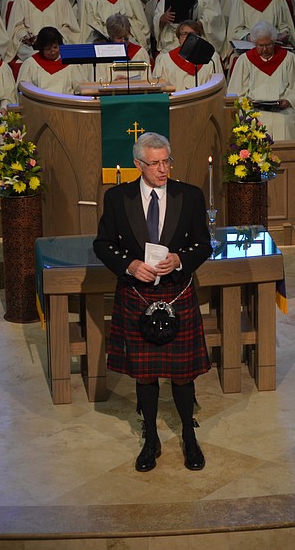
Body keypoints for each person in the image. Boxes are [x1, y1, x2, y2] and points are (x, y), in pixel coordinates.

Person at [93, 132, 212, 473]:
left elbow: (203, 243)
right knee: (144, 375)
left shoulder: (189, 195)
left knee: (182, 373)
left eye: (166, 161)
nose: (163, 169)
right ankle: (151, 439)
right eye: (155, 163)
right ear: (138, 164)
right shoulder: (117, 198)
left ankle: (189, 435)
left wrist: (179, 260)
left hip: (176, 290)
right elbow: (102, 244)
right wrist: (128, 265)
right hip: (136, 293)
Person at [227, 20, 295, 141]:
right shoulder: (245, 60)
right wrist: (248, 102)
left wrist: (288, 101)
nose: (265, 50)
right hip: (254, 111)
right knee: (252, 123)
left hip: (282, 111)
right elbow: (236, 92)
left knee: (284, 122)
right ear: (254, 44)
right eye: (261, 46)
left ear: (274, 42)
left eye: (269, 45)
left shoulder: (289, 58)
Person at [6, 0, 81, 62]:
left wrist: (54, 37)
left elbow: (70, 28)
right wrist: (26, 36)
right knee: (23, 50)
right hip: (31, 46)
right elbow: (16, 27)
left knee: (65, 50)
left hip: (55, 44)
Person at [150, 20, 223, 91]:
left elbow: (219, 87)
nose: (189, 38)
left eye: (193, 34)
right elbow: (158, 89)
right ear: (178, 38)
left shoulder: (211, 58)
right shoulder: (165, 60)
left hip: (204, 102)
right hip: (176, 102)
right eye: (184, 34)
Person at [226, 0, 295, 58]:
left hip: (274, 45)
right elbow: (235, 30)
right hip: (250, 47)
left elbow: (284, 24)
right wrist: (248, 37)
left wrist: (284, 33)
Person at [152, 0, 225, 55]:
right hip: (173, 39)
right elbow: (157, 17)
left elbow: (213, 18)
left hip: (198, 37)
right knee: (167, 57)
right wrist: (162, 19)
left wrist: (200, 24)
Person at [76, 0, 151, 52]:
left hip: (129, 41)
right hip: (103, 47)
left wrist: (124, 27)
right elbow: (86, 32)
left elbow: (142, 24)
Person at [16, 26, 85, 94]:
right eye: (48, 49)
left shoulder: (70, 63)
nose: (52, 52)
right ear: (41, 49)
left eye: (55, 47)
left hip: (65, 103)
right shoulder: (31, 63)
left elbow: (81, 87)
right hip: (39, 103)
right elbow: (23, 89)